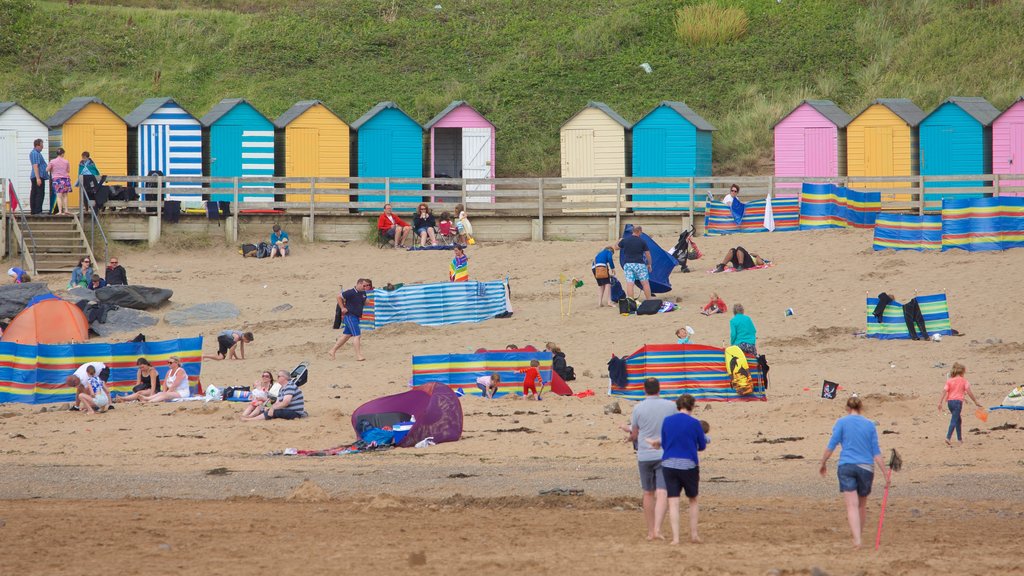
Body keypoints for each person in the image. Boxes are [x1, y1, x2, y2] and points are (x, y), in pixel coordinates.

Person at [819, 396, 890, 549]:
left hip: (846, 466)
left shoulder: (842, 422)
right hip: (866, 468)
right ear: (861, 407)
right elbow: (876, 452)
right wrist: (885, 473)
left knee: (852, 505)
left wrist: (823, 463)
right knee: (861, 506)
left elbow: (831, 445)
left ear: (847, 408)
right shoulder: (869, 425)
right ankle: (858, 536)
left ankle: (857, 540)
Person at [617, 377, 677, 541]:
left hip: (644, 455)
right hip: (664, 453)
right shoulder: (670, 406)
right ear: (659, 389)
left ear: (645, 390)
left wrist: (628, 436)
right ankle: (657, 528)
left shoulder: (638, 408)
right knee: (662, 492)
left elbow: (635, 433)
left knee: (648, 493)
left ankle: (651, 531)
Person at [647, 394, 708, 545]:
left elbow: (665, 443)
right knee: (692, 500)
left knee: (673, 502)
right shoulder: (695, 424)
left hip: (669, 463)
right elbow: (702, 445)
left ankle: (676, 538)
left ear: (678, 406)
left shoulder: (667, 421)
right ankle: (693, 534)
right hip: (688, 464)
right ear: (692, 406)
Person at [938, 362, 982, 446]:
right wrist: (975, 401)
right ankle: (948, 437)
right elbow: (969, 392)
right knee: (954, 419)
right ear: (962, 372)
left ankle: (959, 439)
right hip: (958, 402)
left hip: (950, 402)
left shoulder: (950, 381)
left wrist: (940, 402)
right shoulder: (964, 381)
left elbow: (944, 391)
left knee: (958, 420)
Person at [329, 278, 371, 361]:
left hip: (356, 316)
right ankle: (359, 355)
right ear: (359, 284)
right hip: (350, 316)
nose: (365, 287)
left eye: (367, 286)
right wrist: (342, 308)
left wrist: (366, 301)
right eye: (364, 285)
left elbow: (365, 301)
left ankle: (332, 350)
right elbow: (339, 296)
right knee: (357, 335)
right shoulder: (350, 292)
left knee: (346, 336)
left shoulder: (363, 293)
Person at [617, 225, 652, 300]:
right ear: (639, 231)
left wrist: (619, 241)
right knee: (645, 283)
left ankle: (631, 302)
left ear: (633, 231)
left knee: (630, 284)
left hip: (628, 264)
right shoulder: (642, 241)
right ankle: (649, 299)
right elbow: (648, 254)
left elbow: (615, 248)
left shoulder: (625, 240)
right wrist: (649, 264)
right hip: (639, 264)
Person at [48, 147, 72, 216]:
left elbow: (47, 169)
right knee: (65, 195)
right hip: (65, 179)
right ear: (62, 154)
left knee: (59, 196)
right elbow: (68, 170)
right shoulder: (66, 161)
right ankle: (66, 210)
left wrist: (53, 170)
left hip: (57, 179)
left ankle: (60, 211)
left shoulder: (52, 161)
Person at [29, 139, 48, 216]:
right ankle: (37, 211)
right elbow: (35, 165)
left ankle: (35, 211)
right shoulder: (35, 153)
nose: (42, 147)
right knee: (39, 193)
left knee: (35, 192)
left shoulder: (37, 153)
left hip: (39, 176)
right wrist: (38, 178)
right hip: (38, 176)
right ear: (37, 145)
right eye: (41, 145)